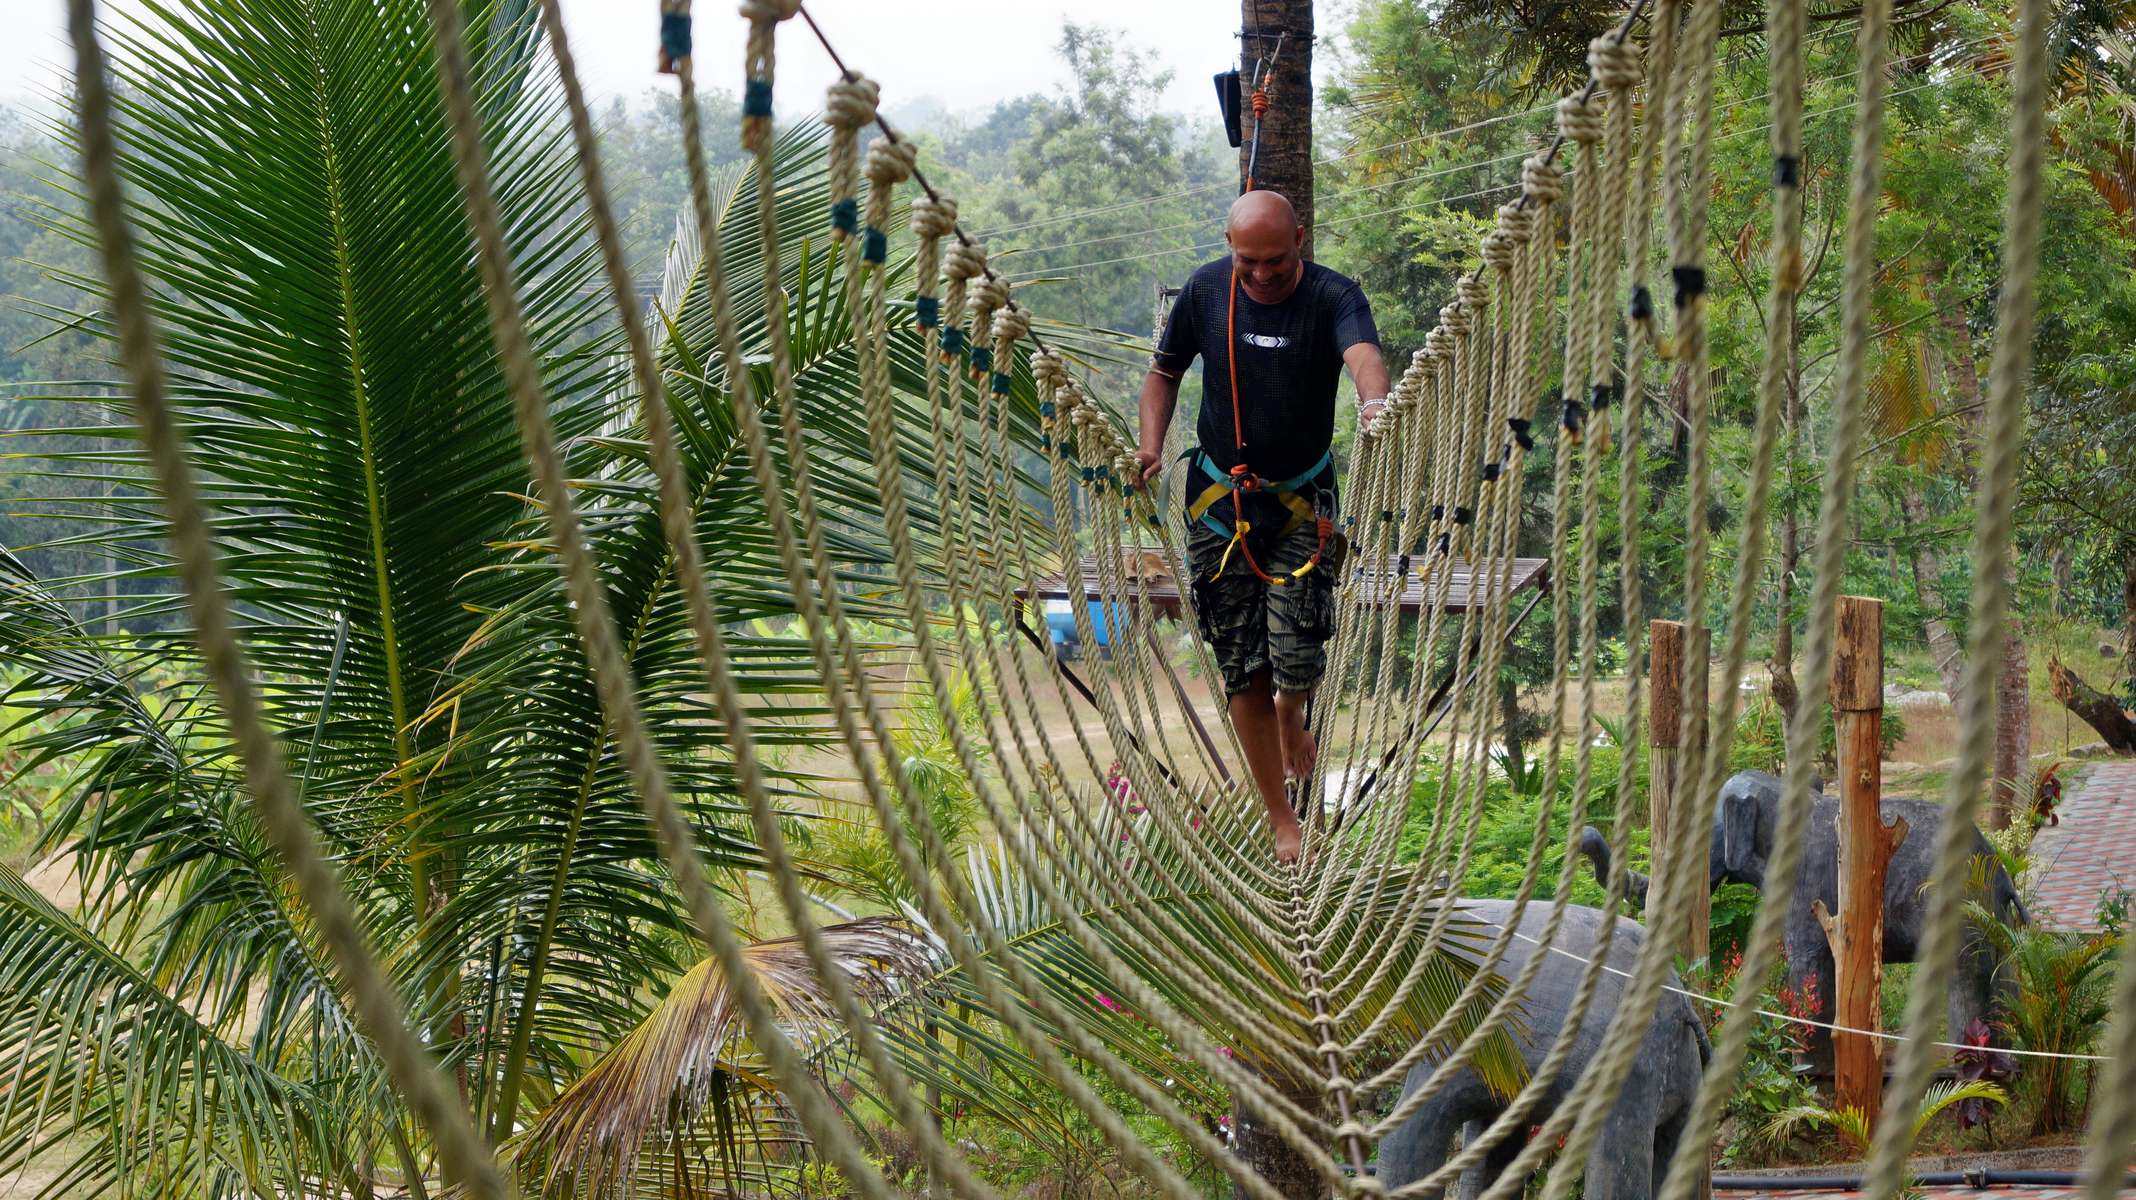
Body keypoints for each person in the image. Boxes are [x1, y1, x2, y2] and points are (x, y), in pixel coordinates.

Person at [1134, 190, 1389, 863]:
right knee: (1240, 664)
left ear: (1300, 238)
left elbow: (1361, 353)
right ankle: (1282, 819)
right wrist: (1152, 447)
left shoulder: (1333, 296)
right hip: (1219, 499)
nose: (1263, 273)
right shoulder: (1206, 291)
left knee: (1298, 645)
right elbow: (1162, 374)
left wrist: (1375, 405)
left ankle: (1292, 709)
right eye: (1248, 260)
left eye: (1275, 259)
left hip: (1305, 499)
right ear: (1229, 246)